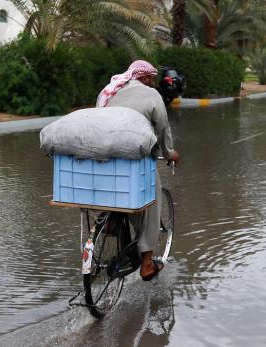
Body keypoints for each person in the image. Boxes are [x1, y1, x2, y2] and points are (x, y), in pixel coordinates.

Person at [96, 60, 180, 281]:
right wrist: (169, 153)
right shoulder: (151, 95)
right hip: (134, 160)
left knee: (112, 183)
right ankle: (146, 263)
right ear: (144, 78)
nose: (151, 82)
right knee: (151, 202)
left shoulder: (109, 90)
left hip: (104, 159)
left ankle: (111, 218)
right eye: (150, 79)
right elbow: (162, 128)